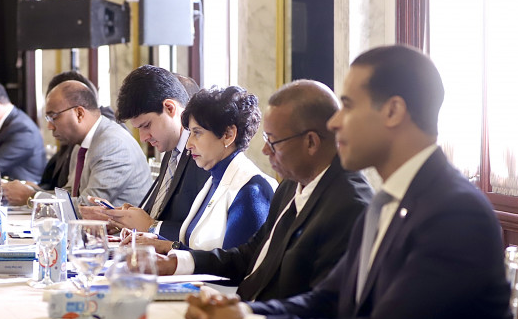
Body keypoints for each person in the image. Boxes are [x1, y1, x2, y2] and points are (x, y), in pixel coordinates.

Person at [184, 45, 518, 319]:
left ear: (393, 111)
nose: (334, 122)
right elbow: (328, 299)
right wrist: (240, 313)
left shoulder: (453, 209)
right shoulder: (391, 198)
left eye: (347, 105)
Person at [159, 80, 373, 302]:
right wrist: (177, 262)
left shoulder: (350, 206)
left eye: (273, 141)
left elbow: (320, 304)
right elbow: (250, 254)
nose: (264, 150)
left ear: (311, 142)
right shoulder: (291, 184)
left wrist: (245, 314)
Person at [132, 86, 277, 254]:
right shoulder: (214, 178)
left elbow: (233, 264)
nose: (188, 144)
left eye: (197, 133)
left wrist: (169, 248)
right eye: (190, 133)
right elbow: (197, 247)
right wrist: (157, 242)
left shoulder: (251, 191)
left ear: (228, 135)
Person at [87, 66, 208, 241]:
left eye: (146, 126)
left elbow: (204, 234)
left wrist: (151, 227)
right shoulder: (171, 151)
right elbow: (157, 215)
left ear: (170, 108)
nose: (143, 138)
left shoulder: (203, 155)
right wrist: (125, 219)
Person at [4, 80, 151, 207]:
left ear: (79, 113)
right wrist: (35, 191)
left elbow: (88, 206)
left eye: (53, 117)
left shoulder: (113, 145)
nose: (49, 126)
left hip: (120, 231)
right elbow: (70, 195)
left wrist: (31, 198)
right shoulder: (81, 145)